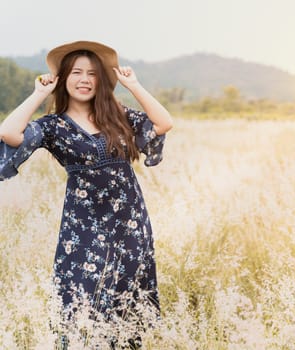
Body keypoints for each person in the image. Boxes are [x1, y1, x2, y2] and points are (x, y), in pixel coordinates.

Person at [0, 41, 173, 349]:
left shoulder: (117, 115)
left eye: (92, 73)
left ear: (100, 80)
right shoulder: (53, 126)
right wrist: (39, 93)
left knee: (124, 307)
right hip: (83, 228)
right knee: (80, 302)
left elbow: (163, 123)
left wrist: (134, 85)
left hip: (129, 225)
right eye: (77, 72)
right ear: (64, 78)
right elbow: (9, 132)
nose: (84, 79)